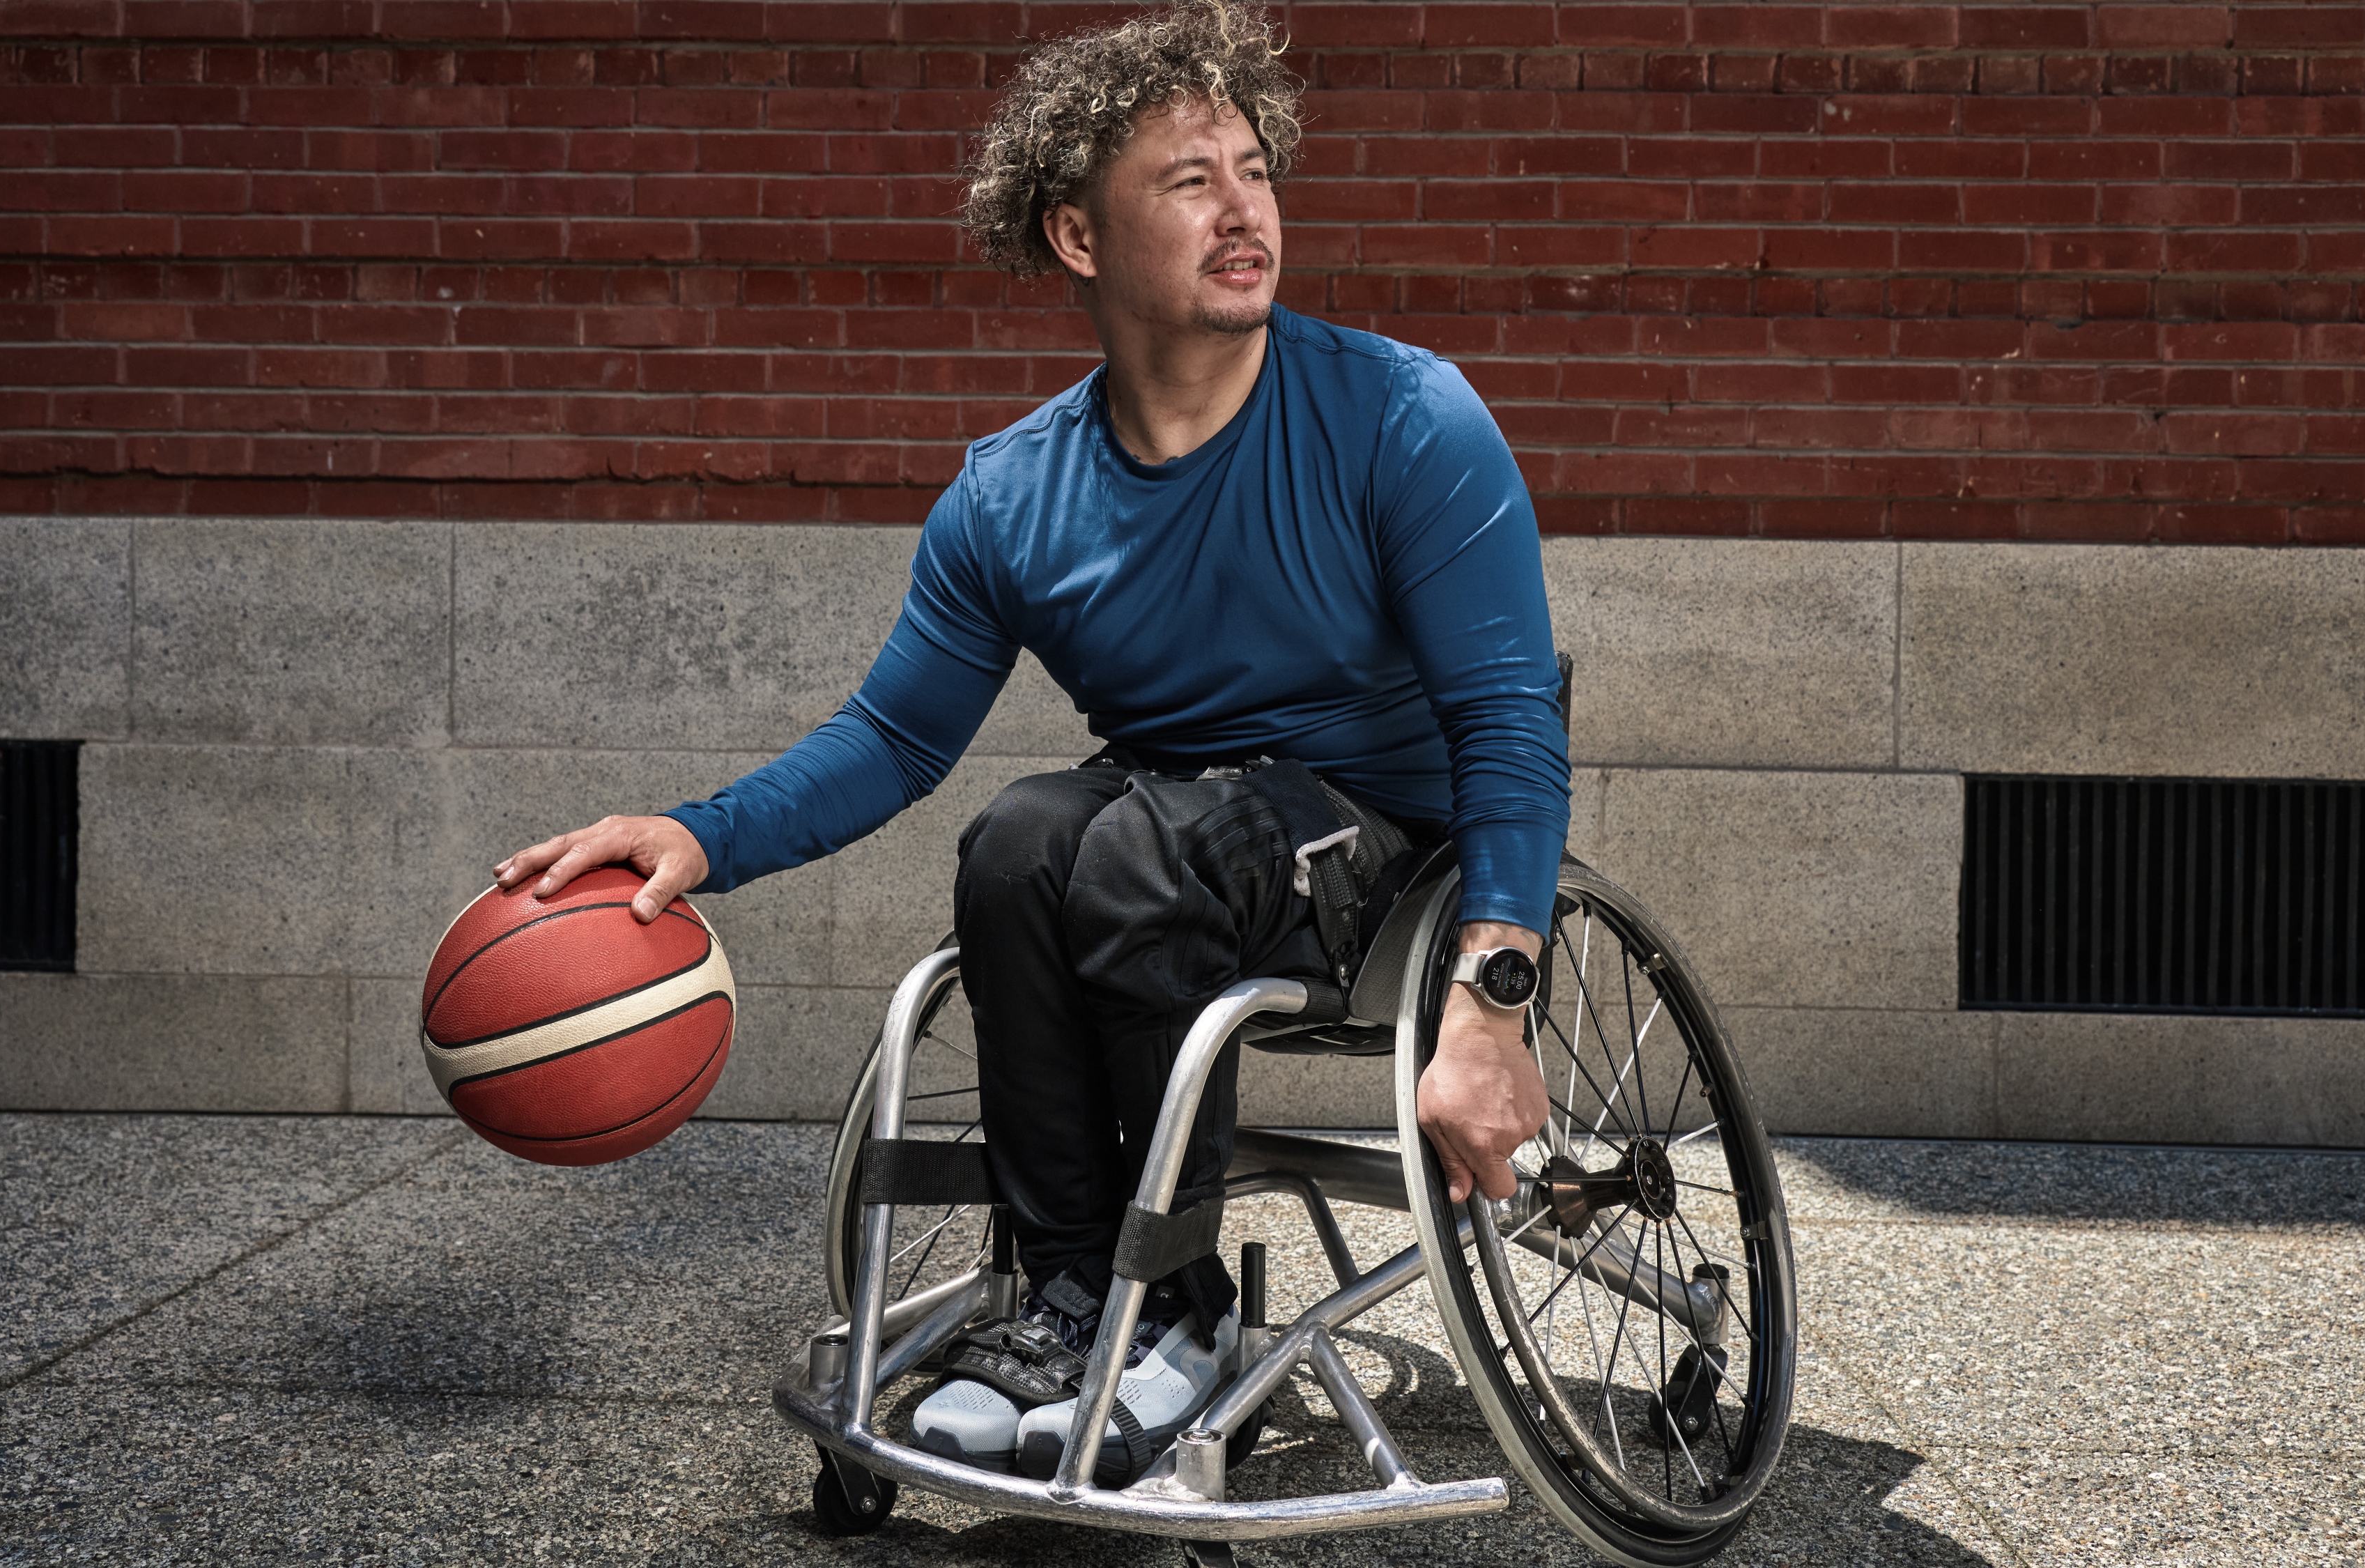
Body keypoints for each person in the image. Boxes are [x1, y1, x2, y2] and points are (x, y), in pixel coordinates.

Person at [490, 0, 1566, 1484]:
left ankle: (1174, 1318)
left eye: (1253, 169)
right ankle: (1069, 1297)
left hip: (1391, 848)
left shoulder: (1402, 415)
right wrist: (702, 836)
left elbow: (1509, 720)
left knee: (1132, 848)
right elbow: (893, 735)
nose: (1243, 208)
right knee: (1011, 841)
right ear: (1077, 237)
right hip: (1174, 832)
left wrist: (1493, 1003)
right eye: (1189, 181)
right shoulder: (1010, 497)